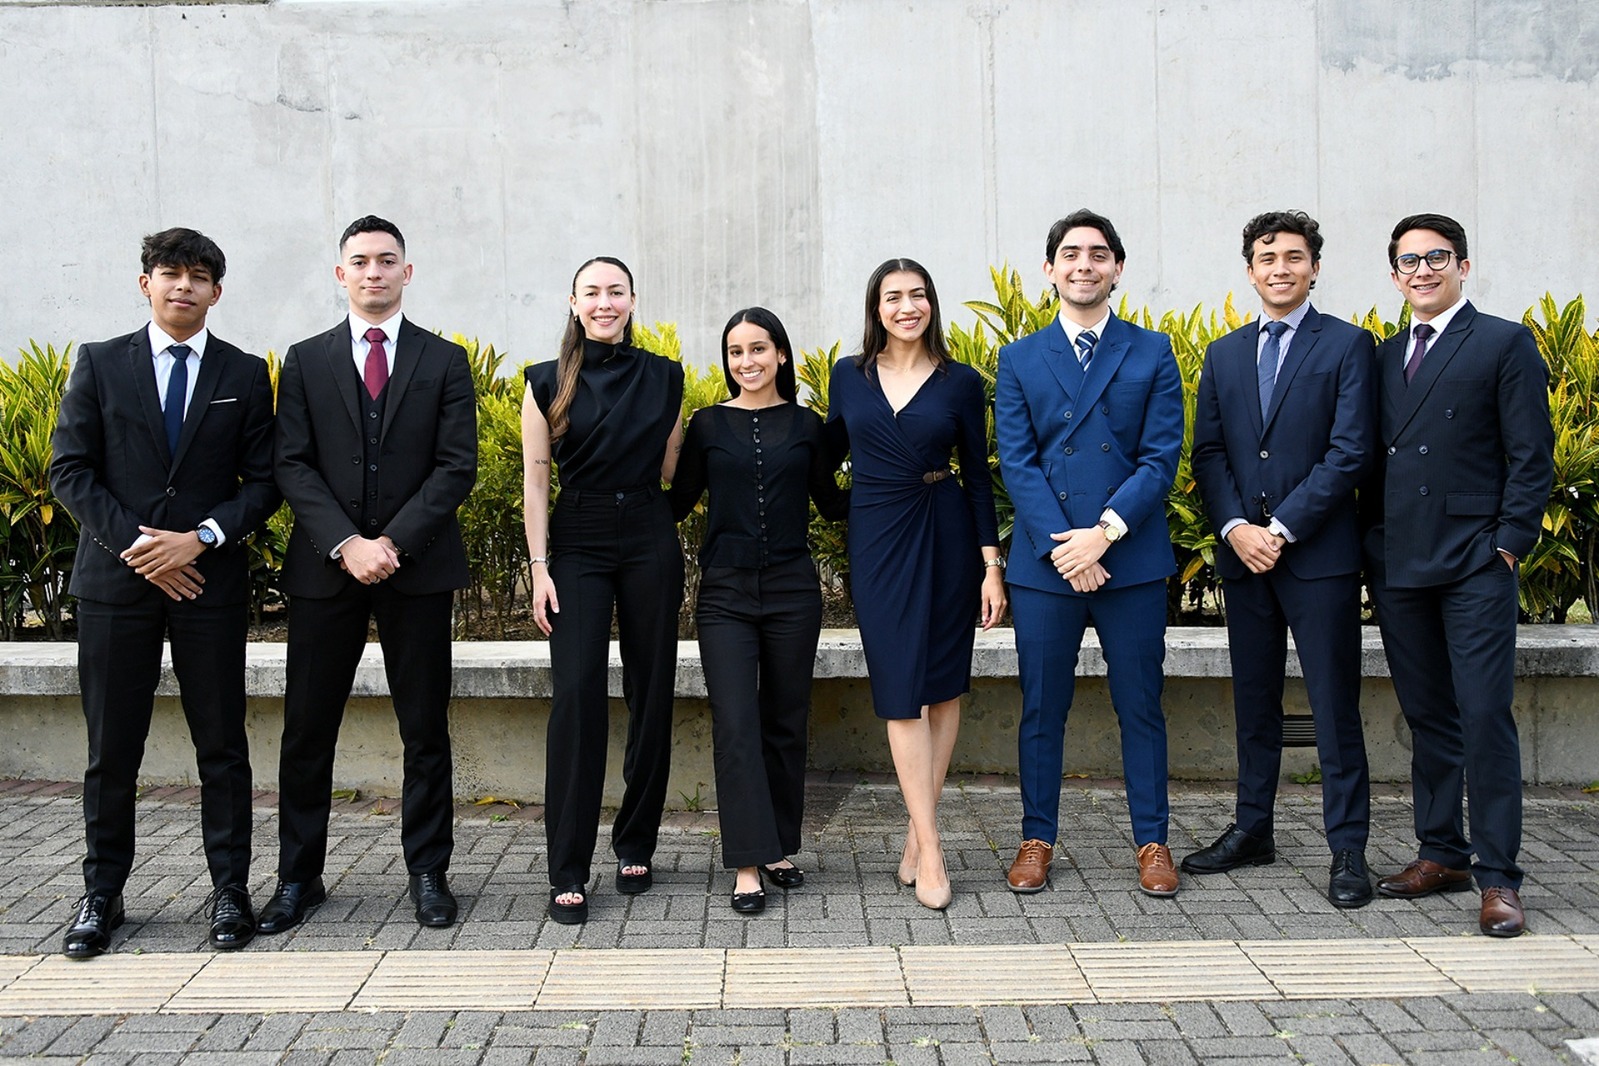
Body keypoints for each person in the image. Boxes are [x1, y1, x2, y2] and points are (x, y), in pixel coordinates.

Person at [49, 227, 279, 957]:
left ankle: (230, 891)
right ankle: (101, 893)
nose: (183, 285)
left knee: (222, 744)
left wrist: (202, 537)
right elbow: (71, 470)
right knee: (111, 748)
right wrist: (144, 547)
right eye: (169, 272)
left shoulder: (243, 373)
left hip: (207, 583)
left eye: (199, 275)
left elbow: (266, 482)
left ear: (217, 291)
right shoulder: (100, 363)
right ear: (144, 282)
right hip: (117, 585)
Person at [262, 216, 478, 933]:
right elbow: (291, 462)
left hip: (416, 572)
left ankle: (428, 871)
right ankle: (300, 876)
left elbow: (456, 465)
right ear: (340, 273)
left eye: (388, 260)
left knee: (424, 728)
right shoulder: (304, 359)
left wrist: (392, 543)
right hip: (326, 572)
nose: (374, 272)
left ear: (407, 272)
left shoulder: (444, 361)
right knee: (307, 729)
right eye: (360, 261)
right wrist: (347, 543)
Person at [1364, 213, 1553, 937]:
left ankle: (1499, 875)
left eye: (1435, 257)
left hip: (1474, 560)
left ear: (1462, 266)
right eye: (1407, 262)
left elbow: (1529, 454)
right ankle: (1440, 850)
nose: (1421, 271)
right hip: (1400, 562)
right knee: (1428, 716)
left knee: (1482, 716)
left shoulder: (1502, 341)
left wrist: (1507, 543)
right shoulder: (1381, 356)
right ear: (1393, 277)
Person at [1185, 210, 1377, 907]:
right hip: (1243, 559)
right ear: (1249, 270)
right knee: (1254, 703)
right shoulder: (1224, 353)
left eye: (1293, 256)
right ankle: (1252, 829)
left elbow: (1350, 451)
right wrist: (1236, 526)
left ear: (1314, 267)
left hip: (1316, 556)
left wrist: (1284, 525)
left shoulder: (1348, 346)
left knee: (1333, 707)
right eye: (1266, 257)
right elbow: (1208, 453)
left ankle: (1348, 848)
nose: (1280, 267)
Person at [995, 209, 1184, 898]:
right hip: (1047, 565)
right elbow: (1017, 464)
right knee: (1043, 706)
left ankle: (1152, 840)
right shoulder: (1018, 359)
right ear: (1048, 269)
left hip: (1128, 559)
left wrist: (1103, 532)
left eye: (1097, 254)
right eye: (1069, 253)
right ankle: (1036, 836)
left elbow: (1160, 457)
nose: (1083, 264)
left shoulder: (1151, 350)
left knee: (1141, 704)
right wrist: (1067, 547)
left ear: (1117, 267)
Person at [826, 258, 1005, 911]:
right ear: (875, 308)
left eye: (917, 295)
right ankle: (931, 848)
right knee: (900, 692)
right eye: (893, 297)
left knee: (941, 685)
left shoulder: (961, 383)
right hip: (877, 536)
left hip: (947, 533)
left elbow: (980, 478)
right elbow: (822, 456)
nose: (907, 307)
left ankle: (914, 831)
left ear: (932, 303)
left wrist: (991, 565)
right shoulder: (847, 375)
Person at [667, 308, 848, 914]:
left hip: (795, 591)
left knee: (784, 719)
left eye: (758, 349)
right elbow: (675, 502)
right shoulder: (707, 425)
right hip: (725, 593)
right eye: (736, 352)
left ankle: (777, 846)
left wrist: (915, 482)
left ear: (782, 356)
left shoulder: (807, 425)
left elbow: (832, 503)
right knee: (737, 721)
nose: (747, 362)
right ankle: (747, 861)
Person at [523, 256, 685, 925]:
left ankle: (636, 843)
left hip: (648, 533)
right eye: (592, 292)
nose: (604, 302)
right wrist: (539, 568)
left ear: (632, 300)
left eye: (615, 291)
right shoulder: (543, 381)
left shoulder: (666, 377)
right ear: (573, 301)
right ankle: (567, 865)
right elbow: (535, 482)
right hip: (579, 541)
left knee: (651, 692)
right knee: (578, 695)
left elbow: (674, 468)